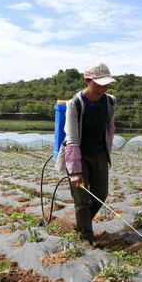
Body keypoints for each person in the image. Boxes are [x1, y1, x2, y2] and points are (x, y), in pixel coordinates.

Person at [55, 62, 117, 244]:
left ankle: (82, 224)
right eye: (98, 85)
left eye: (105, 85)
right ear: (87, 80)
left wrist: (107, 152)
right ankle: (86, 237)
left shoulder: (110, 101)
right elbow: (72, 138)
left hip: (99, 153)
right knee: (81, 199)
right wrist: (74, 171)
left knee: (101, 194)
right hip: (77, 154)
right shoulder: (75, 104)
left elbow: (110, 128)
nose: (102, 89)